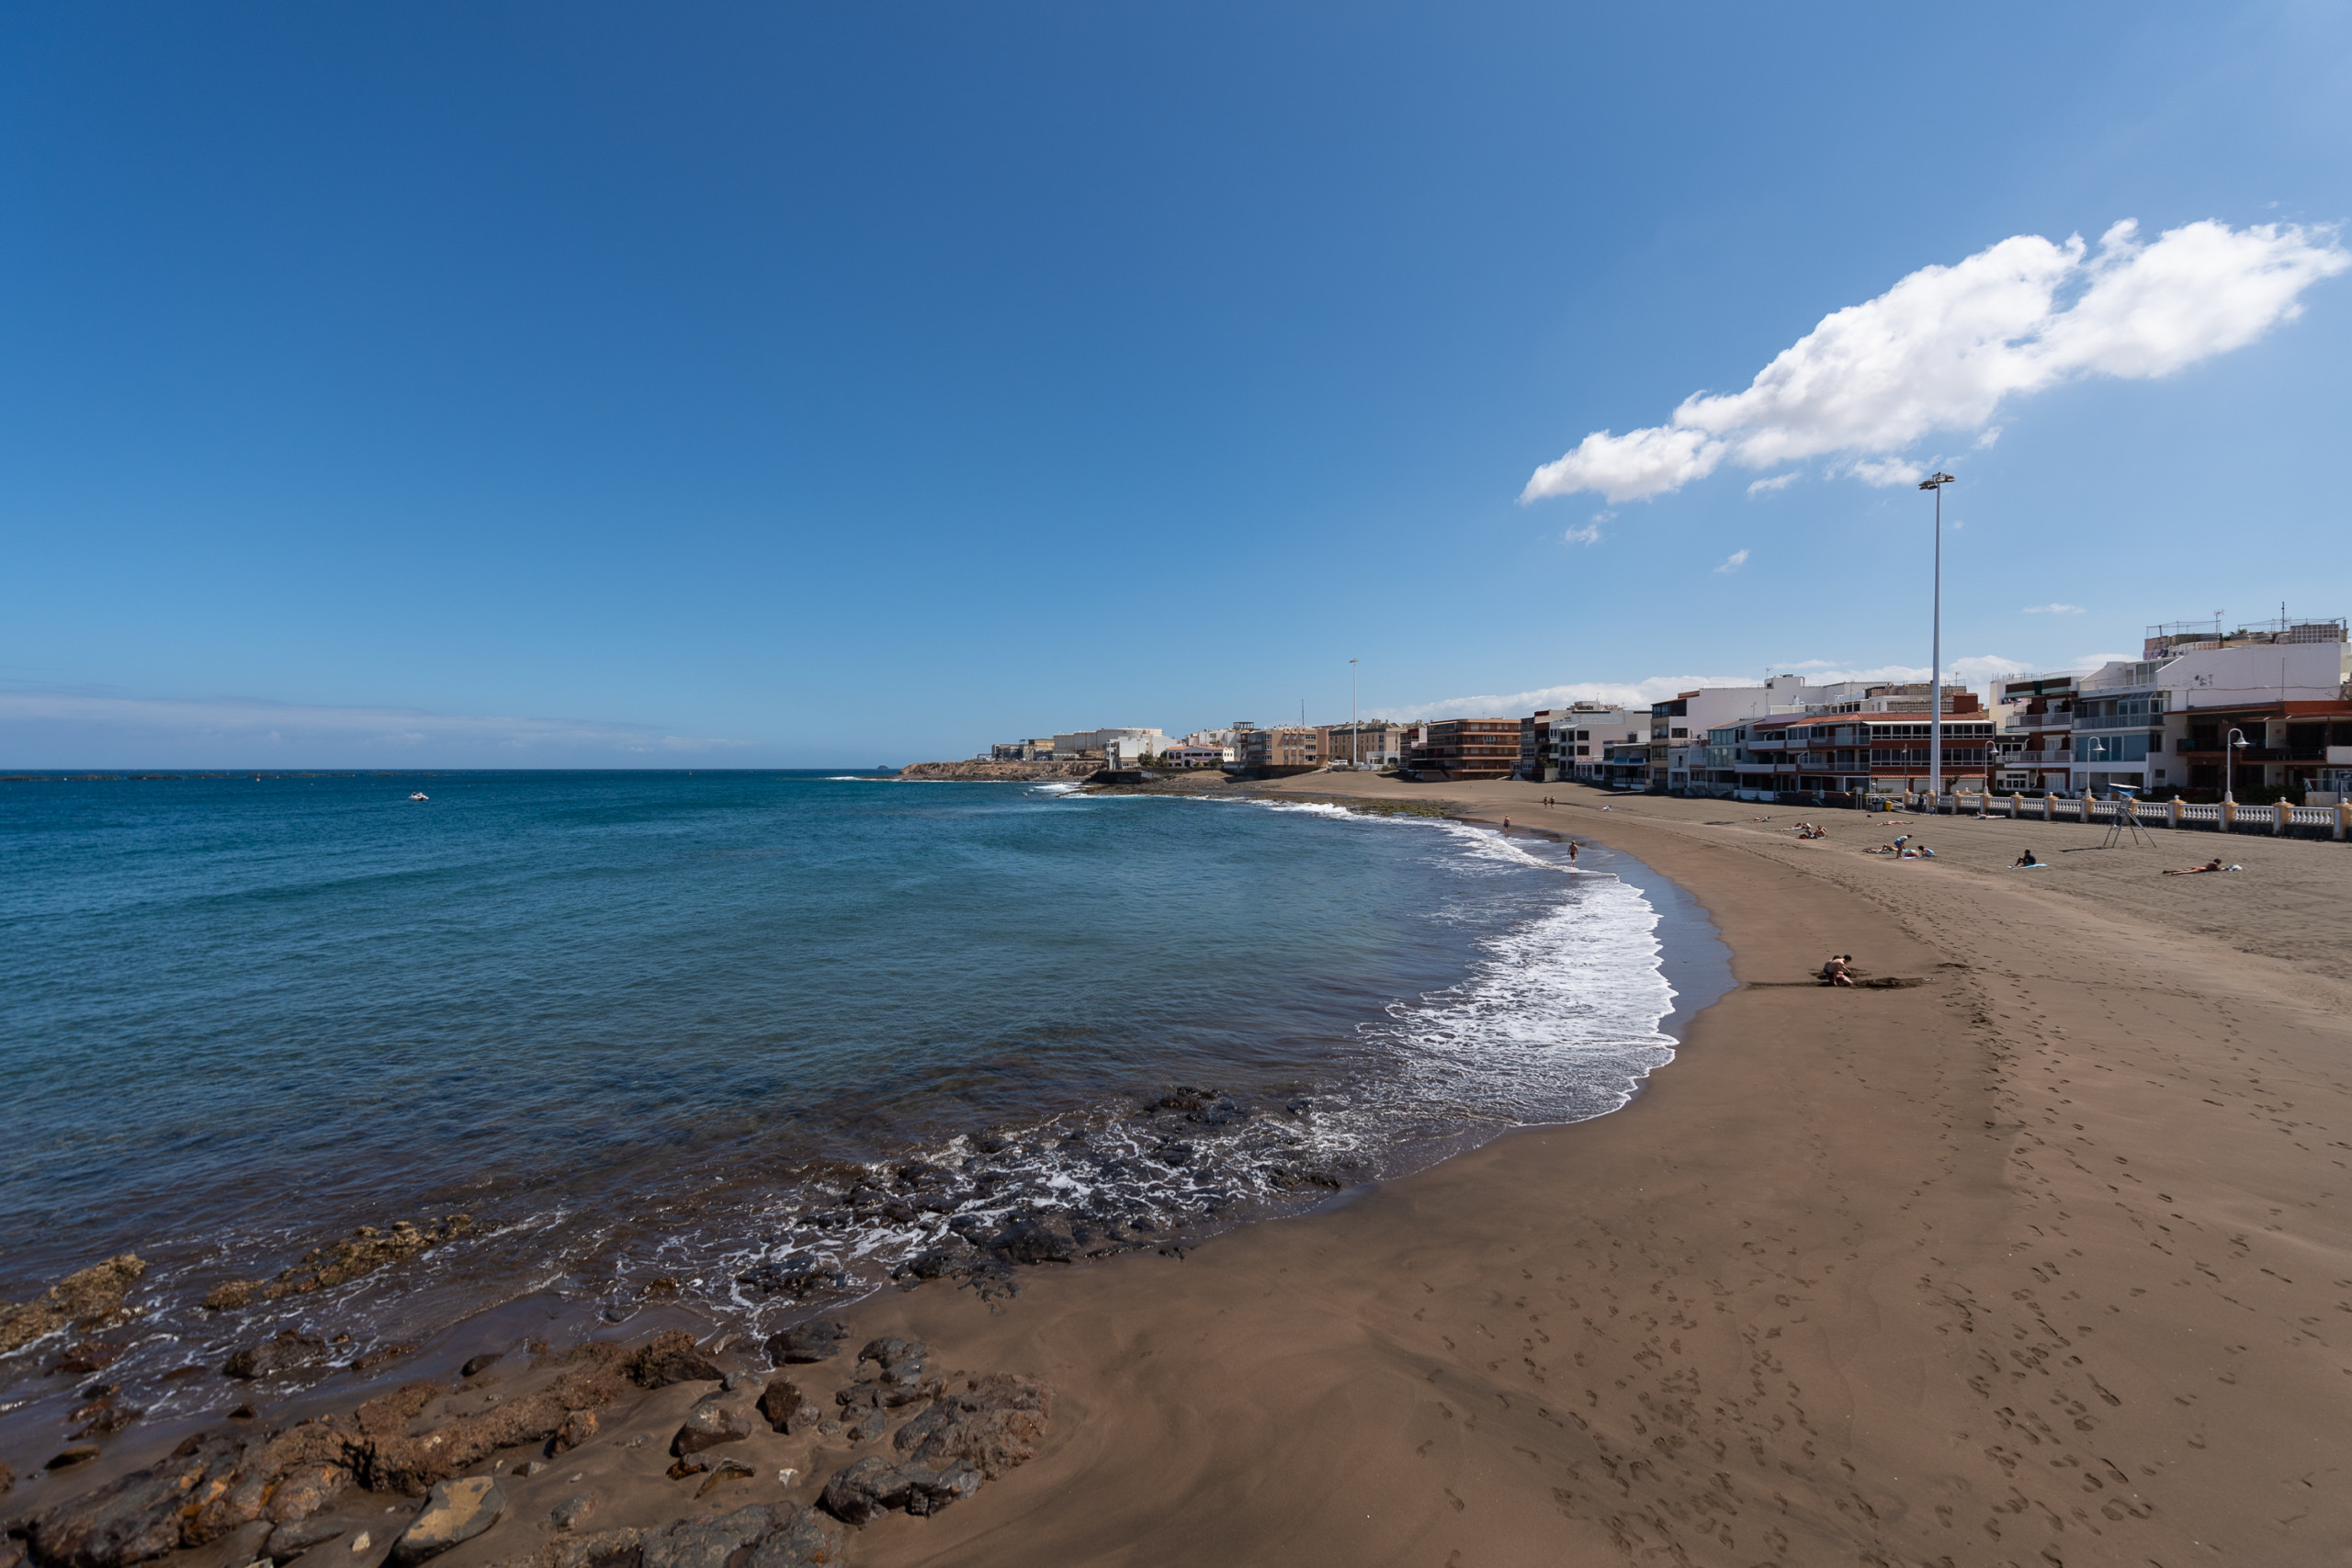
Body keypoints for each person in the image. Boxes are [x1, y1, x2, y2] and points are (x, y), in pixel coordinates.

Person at [2163, 857, 2229, 875]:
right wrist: (2224, 869)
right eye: (2220, 862)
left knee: (2185, 869)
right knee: (2187, 872)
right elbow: (2216, 870)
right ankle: (2175, 873)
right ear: (2217, 861)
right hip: (2200, 869)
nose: (2220, 863)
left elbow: (2213, 868)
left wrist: (2221, 868)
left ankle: (2168, 871)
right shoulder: (2215, 864)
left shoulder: (2211, 863)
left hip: (2199, 867)